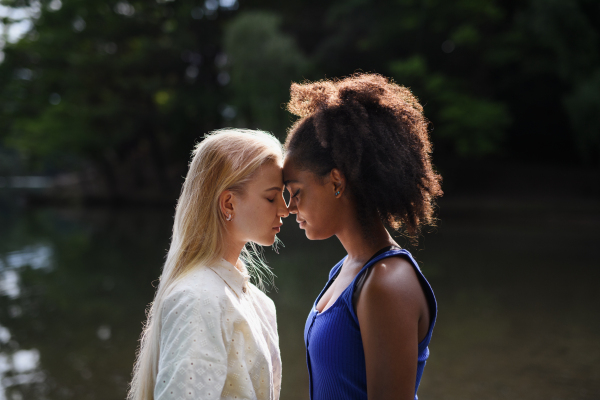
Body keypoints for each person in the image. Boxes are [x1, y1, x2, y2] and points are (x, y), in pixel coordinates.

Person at [282, 74, 443, 400]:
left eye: (296, 192)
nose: (289, 207)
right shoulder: (346, 269)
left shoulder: (387, 283)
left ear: (336, 182)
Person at [128, 129, 289, 400]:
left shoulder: (257, 301)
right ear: (228, 203)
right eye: (272, 197)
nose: (284, 209)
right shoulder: (198, 298)